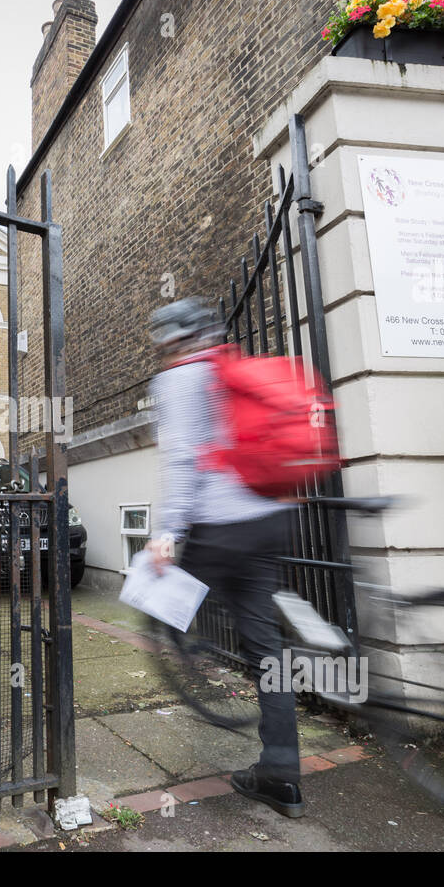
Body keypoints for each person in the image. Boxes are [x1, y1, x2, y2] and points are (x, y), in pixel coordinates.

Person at [144, 296, 303, 818]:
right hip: (270, 515)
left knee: (162, 596)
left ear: (172, 340)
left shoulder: (177, 381)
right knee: (265, 644)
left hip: (220, 524)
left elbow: (185, 458)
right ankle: (281, 773)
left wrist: (167, 530)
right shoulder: (234, 368)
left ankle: (190, 652)